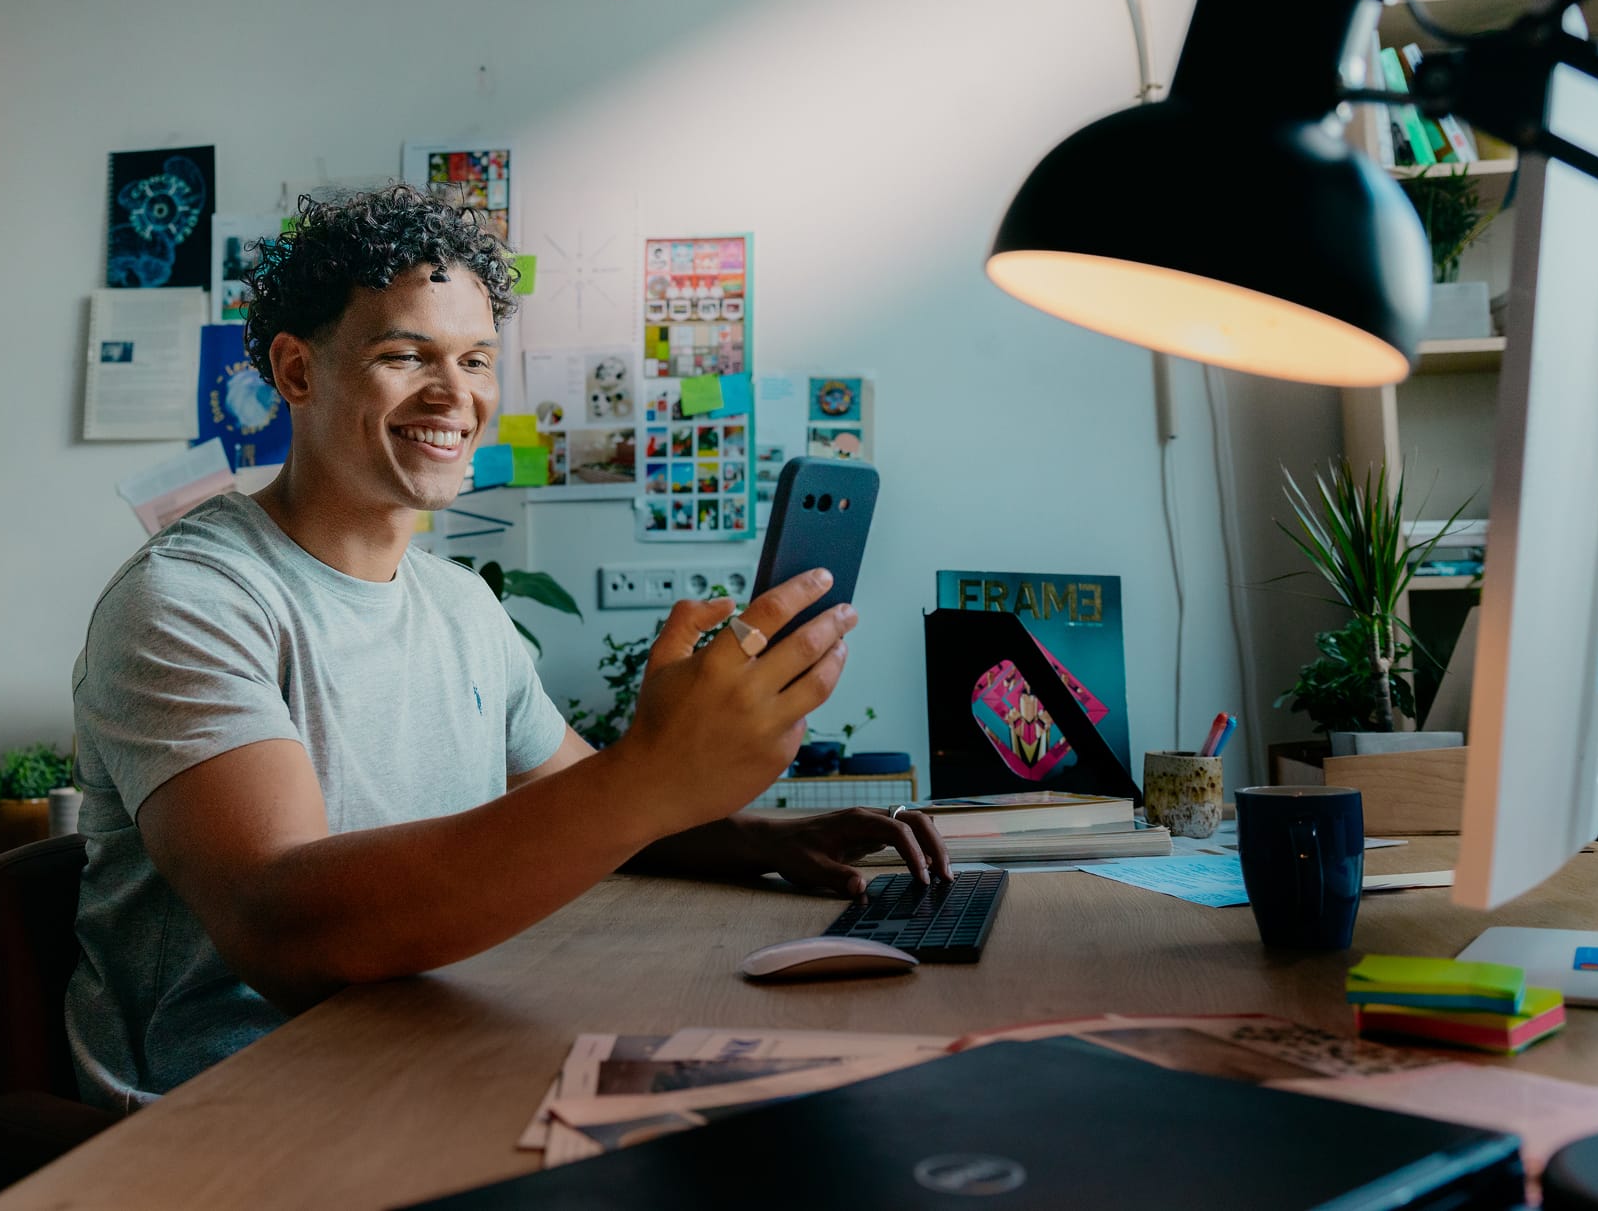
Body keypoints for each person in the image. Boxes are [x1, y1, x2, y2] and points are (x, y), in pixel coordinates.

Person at [65, 185, 946, 1113]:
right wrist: (653, 773)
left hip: (422, 1050)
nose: (456, 395)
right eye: (406, 355)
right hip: (234, 1112)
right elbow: (286, 927)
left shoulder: (460, 607)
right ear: (296, 371)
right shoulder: (190, 598)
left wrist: (760, 842)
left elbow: (572, 799)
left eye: (477, 359)